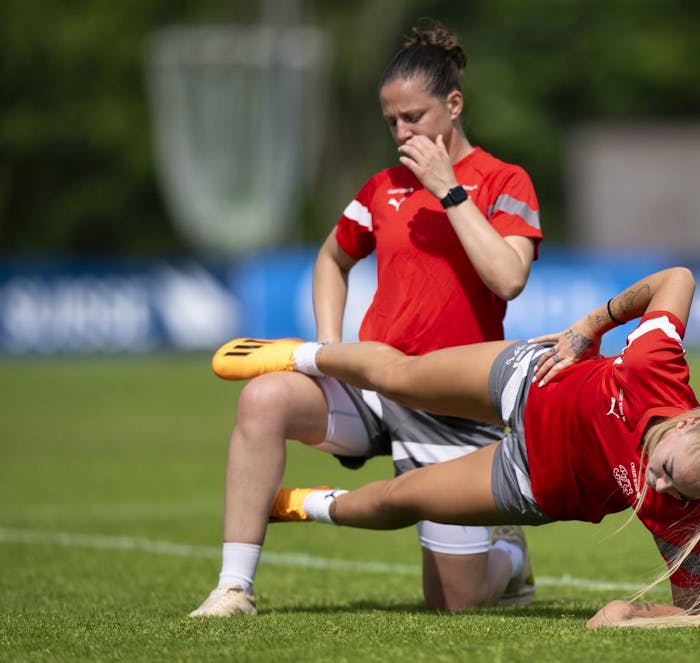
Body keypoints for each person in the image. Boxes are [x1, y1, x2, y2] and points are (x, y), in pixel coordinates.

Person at [211, 266, 700, 628]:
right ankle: (296, 354)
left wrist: (636, 615)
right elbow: (679, 278)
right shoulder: (656, 366)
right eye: (669, 470)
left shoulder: (684, 510)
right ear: (681, 425)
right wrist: (590, 327)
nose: (661, 486)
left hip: (529, 481)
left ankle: (298, 505)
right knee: (401, 378)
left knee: (402, 498)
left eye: (679, 490)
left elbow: (696, 608)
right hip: (529, 380)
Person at [189, 21, 543, 617]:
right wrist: (331, 349)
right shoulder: (383, 187)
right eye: (391, 122)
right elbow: (332, 257)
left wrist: (448, 191)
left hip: (454, 404)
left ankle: (507, 558)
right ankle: (233, 589)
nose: (402, 133)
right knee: (263, 398)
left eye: (415, 117)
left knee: (455, 605)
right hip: (374, 384)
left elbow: (508, 277)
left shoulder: (505, 181)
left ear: (453, 105)